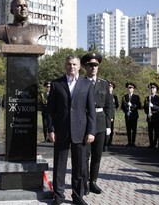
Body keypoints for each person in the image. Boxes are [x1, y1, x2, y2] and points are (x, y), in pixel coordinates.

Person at [47, 55, 96, 205]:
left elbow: (91, 110)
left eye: (74, 64)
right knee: (59, 165)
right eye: (69, 64)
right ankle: (59, 195)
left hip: (80, 131)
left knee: (79, 166)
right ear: (65, 66)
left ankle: (78, 195)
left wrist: (91, 131)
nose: (71, 67)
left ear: (79, 66)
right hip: (61, 130)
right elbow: (50, 110)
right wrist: (51, 129)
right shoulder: (56, 84)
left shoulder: (86, 84)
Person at [81, 52, 112, 195]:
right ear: (85, 67)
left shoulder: (104, 83)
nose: (93, 68)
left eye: (96, 65)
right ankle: (84, 182)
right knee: (85, 155)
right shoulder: (80, 82)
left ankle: (93, 181)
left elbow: (108, 106)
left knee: (97, 155)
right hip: (85, 123)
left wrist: (108, 125)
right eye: (90, 65)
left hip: (99, 123)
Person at [121, 82, 142, 146]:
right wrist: (126, 111)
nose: (129, 89)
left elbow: (139, 106)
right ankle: (129, 141)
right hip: (128, 115)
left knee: (134, 129)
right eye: (128, 87)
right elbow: (122, 106)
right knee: (128, 129)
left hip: (134, 115)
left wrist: (132, 105)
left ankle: (133, 142)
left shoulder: (136, 97)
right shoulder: (125, 97)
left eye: (131, 87)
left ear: (133, 89)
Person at [143, 82, 159, 148]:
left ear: (156, 89)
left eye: (153, 88)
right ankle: (151, 143)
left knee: (156, 131)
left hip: (156, 116)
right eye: (151, 88)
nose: (152, 89)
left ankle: (155, 143)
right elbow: (145, 107)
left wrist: (152, 105)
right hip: (150, 116)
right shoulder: (147, 98)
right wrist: (147, 113)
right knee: (150, 131)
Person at [104, 81, 119, 150]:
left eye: (111, 86)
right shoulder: (105, 94)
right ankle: (104, 144)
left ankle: (108, 143)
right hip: (104, 115)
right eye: (109, 86)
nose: (110, 87)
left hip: (111, 115)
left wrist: (112, 116)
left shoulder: (114, 97)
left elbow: (114, 107)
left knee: (110, 129)